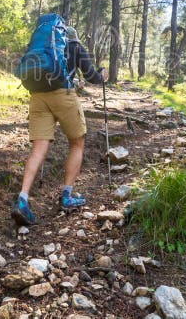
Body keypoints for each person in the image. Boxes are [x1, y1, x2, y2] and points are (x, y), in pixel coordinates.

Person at [11, 26, 109, 226]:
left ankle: (22, 199)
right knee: (77, 142)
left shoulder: (41, 47)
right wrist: (103, 75)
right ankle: (66, 196)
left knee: (38, 149)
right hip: (63, 95)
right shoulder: (74, 46)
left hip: (37, 98)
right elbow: (91, 76)